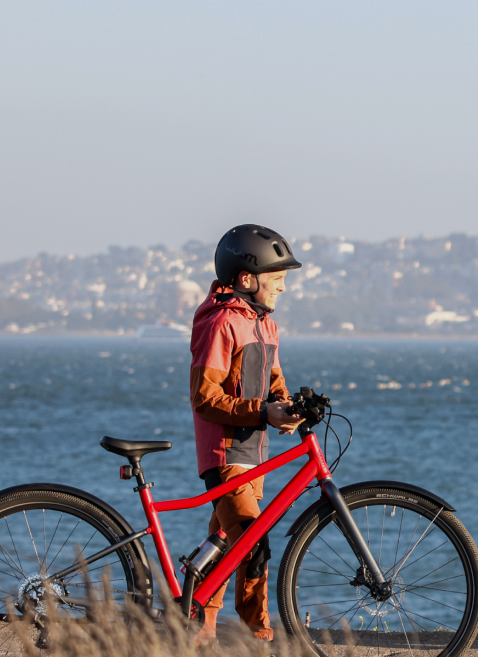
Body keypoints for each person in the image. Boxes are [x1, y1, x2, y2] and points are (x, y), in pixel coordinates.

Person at [189, 223, 304, 645]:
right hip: (225, 454)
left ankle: (197, 628)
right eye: (277, 281)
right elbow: (205, 397)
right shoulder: (221, 323)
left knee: (222, 543)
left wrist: (290, 407)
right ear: (246, 279)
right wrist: (262, 413)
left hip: (253, 453)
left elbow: (274, 382)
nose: (283, 289)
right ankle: (259, 636)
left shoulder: (264, 324)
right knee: (252, 545)